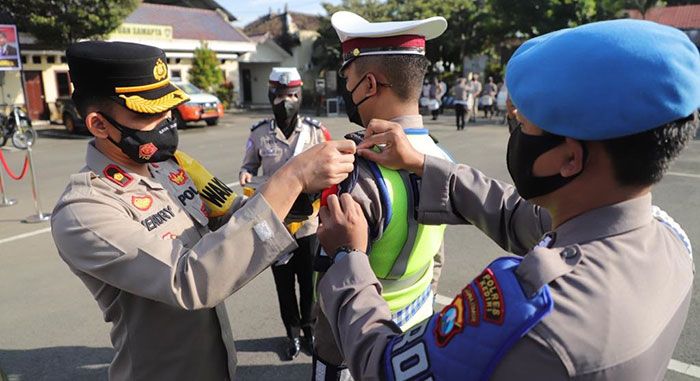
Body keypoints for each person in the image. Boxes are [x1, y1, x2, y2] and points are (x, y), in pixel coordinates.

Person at [315, 19, 698, 380]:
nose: (515, 132)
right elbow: (515, 213)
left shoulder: (527, 313)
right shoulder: (669, 241)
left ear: (569, 157)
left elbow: (385, 366)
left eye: (524, 125)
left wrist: (350, 259)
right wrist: (422, 163)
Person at [50, 41, 355, 380]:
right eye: (148, 113)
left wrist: (308, 195)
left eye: (168, 108)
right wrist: (292, 176)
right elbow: (189, 280)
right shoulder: (85, 209)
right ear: (99, 125)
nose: (167, 122)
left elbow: (233, 212)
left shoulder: (172, 166)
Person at [311, 11, 453, 380]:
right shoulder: (441, 157)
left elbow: (331, 273)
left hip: (354, 341)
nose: (345, 89)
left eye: (348, 79)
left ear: (369, 85)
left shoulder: (353, 171)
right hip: (417, 323)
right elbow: (437, 255)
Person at [239, 67, 330, 360]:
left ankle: (310, 329)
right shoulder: (259, 133)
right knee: (283, 282)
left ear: (300, 95)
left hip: (308, 224)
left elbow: (330, 169)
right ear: (270, 96)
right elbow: (249, 165)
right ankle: (291, 334)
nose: (286, 101)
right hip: (273, 223)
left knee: (309, 282)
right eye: (279, 96)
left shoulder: (316, 132)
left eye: (291, 95)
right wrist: (244, 173)